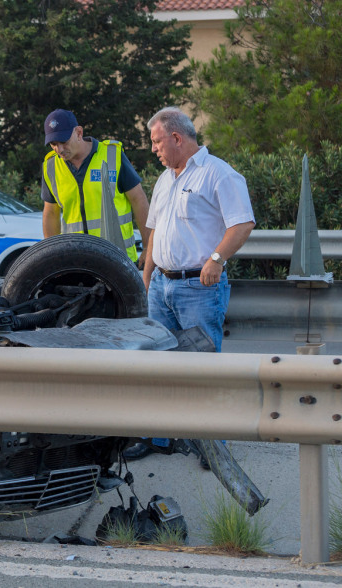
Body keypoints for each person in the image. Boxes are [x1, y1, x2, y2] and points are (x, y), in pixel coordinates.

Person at [126, 106, 255, 463]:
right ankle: (161, 437)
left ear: (176, 138)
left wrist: (216, 259)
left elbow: (242, 224)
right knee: (160, 364)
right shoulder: (166, 178)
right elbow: (154, 233)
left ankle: (213, 446)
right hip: (161, 287)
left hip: (197, 288)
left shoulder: (220, 174)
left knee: (202, 367)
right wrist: (146, 274)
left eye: (156, 142)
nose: (154, 149)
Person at [41, 109, 151, 264]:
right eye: (53, 144)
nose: (59, 150)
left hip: (119, 259)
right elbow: (50, 213)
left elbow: (138, 200)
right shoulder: (50, 166)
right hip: (76, 262)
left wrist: (148, 248)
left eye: (64, 142)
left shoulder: (112, 155)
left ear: (79, 132)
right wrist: (52, 258)